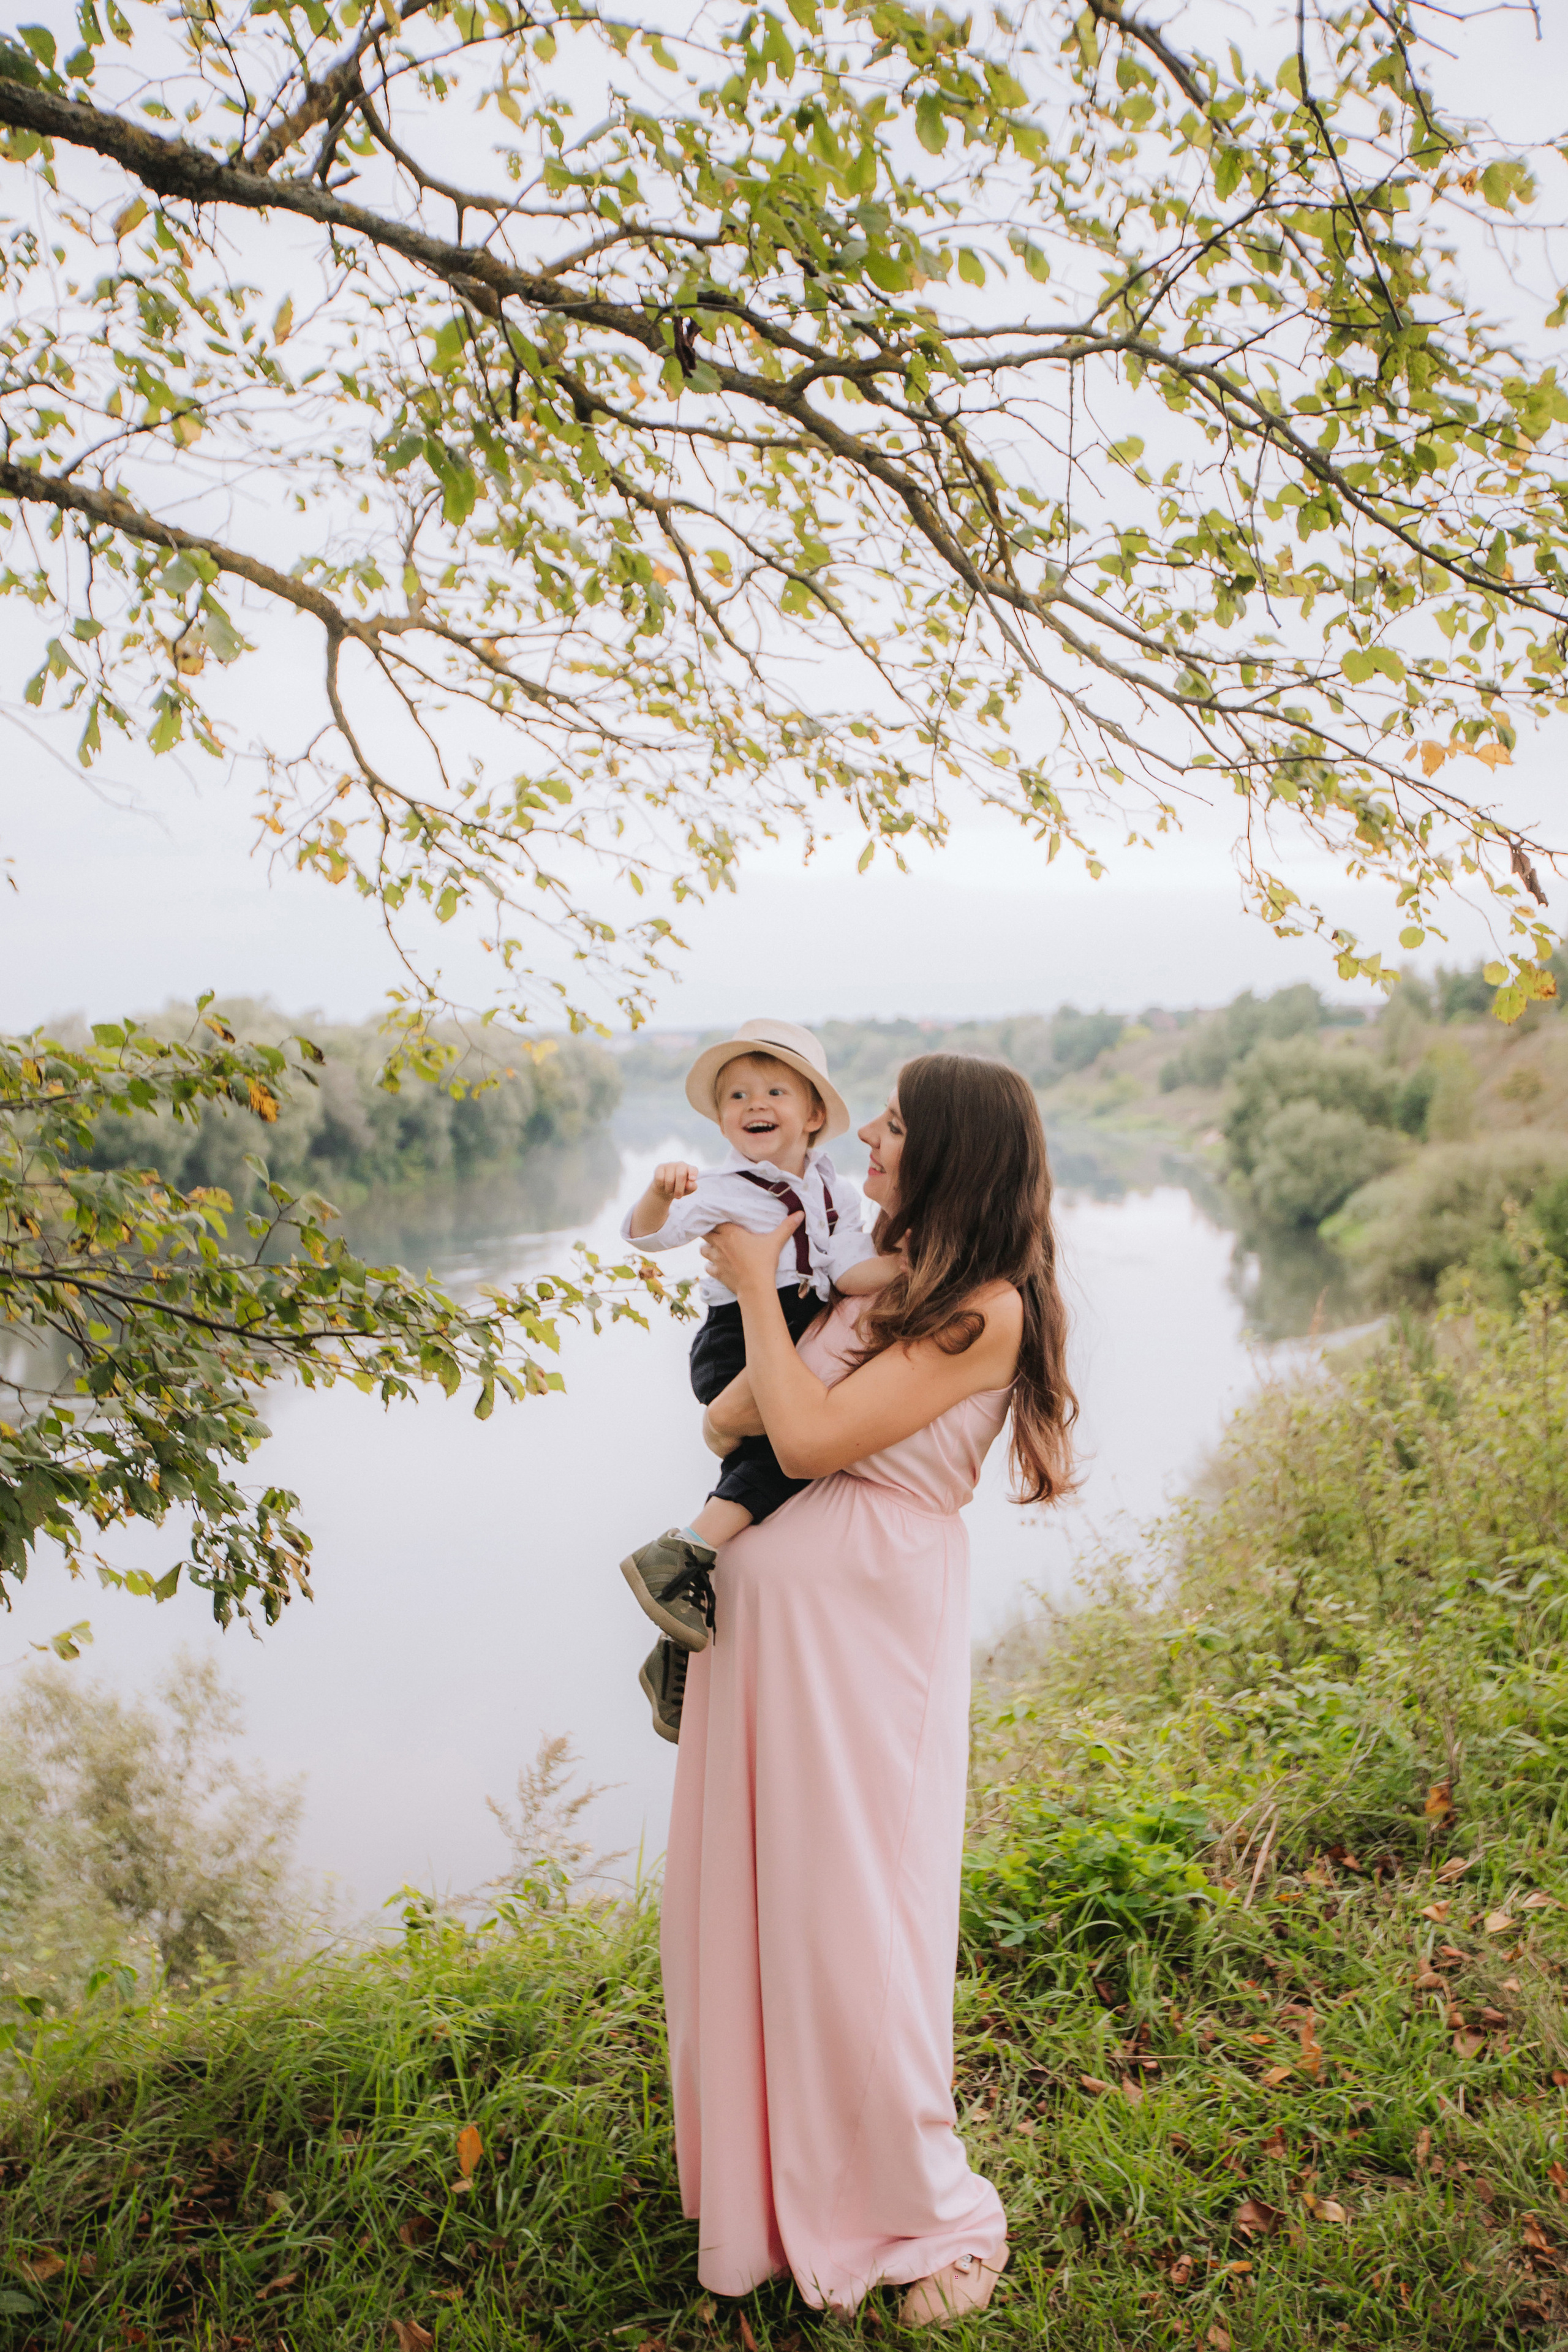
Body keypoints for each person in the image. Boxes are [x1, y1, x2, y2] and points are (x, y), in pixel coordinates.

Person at [660, 1054, 1077, 2329]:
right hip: (764, 1646)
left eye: (893, 1127)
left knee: (854, 1916)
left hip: (862, 1643)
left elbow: (802, 1440)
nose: (872, 1144)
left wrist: (754, 1295)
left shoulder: (981, 1309)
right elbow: (728, 1416)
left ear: (949, 1150)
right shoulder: (887, 1284)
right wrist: (772, 1304)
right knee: (759, 1903)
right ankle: (771, 2192)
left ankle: (927, 2209)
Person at [615, 1019, 895, 1738]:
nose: (753, 1104)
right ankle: (679, 1551)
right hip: (737, 1337)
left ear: (813, 1115)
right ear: (722, 1120)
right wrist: (658, 1190)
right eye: (736, 1095)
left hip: (794, 1325)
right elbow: (647, 1237)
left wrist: (911, 1272)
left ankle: (675, 1649)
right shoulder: (720, 1188)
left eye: (773, 1090)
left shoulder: (836, 1192)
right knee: (790, 1454)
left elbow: (848, 1270)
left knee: (777, 1469)